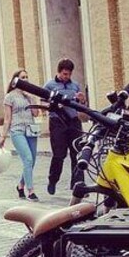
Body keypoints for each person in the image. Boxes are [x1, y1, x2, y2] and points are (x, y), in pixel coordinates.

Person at [44, 58, 86, 195]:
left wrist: (82, 99)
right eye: (64, 74)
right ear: (59, 72)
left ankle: (77, 185)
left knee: (77, 153)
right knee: (59, 154)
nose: (66, 77)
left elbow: (81, 105)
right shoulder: (49, 85)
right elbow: (43, 105)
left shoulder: (75, 85)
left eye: (68, 74)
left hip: (73, 121)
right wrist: (53, 105)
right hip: (57, 122)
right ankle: (53, 180)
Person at [0, 69, 40, 201]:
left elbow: (36, 114)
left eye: (27, 77)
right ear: (15, 80)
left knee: (32, 161)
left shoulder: (29, 96)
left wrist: (31, 97)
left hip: (31, 130)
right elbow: (7, 118)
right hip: (17, 131)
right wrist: (3, 136)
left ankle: (20, 185)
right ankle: (31, 190)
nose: (25, 79)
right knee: (27, 158)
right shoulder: (10, 96)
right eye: (23, 77)